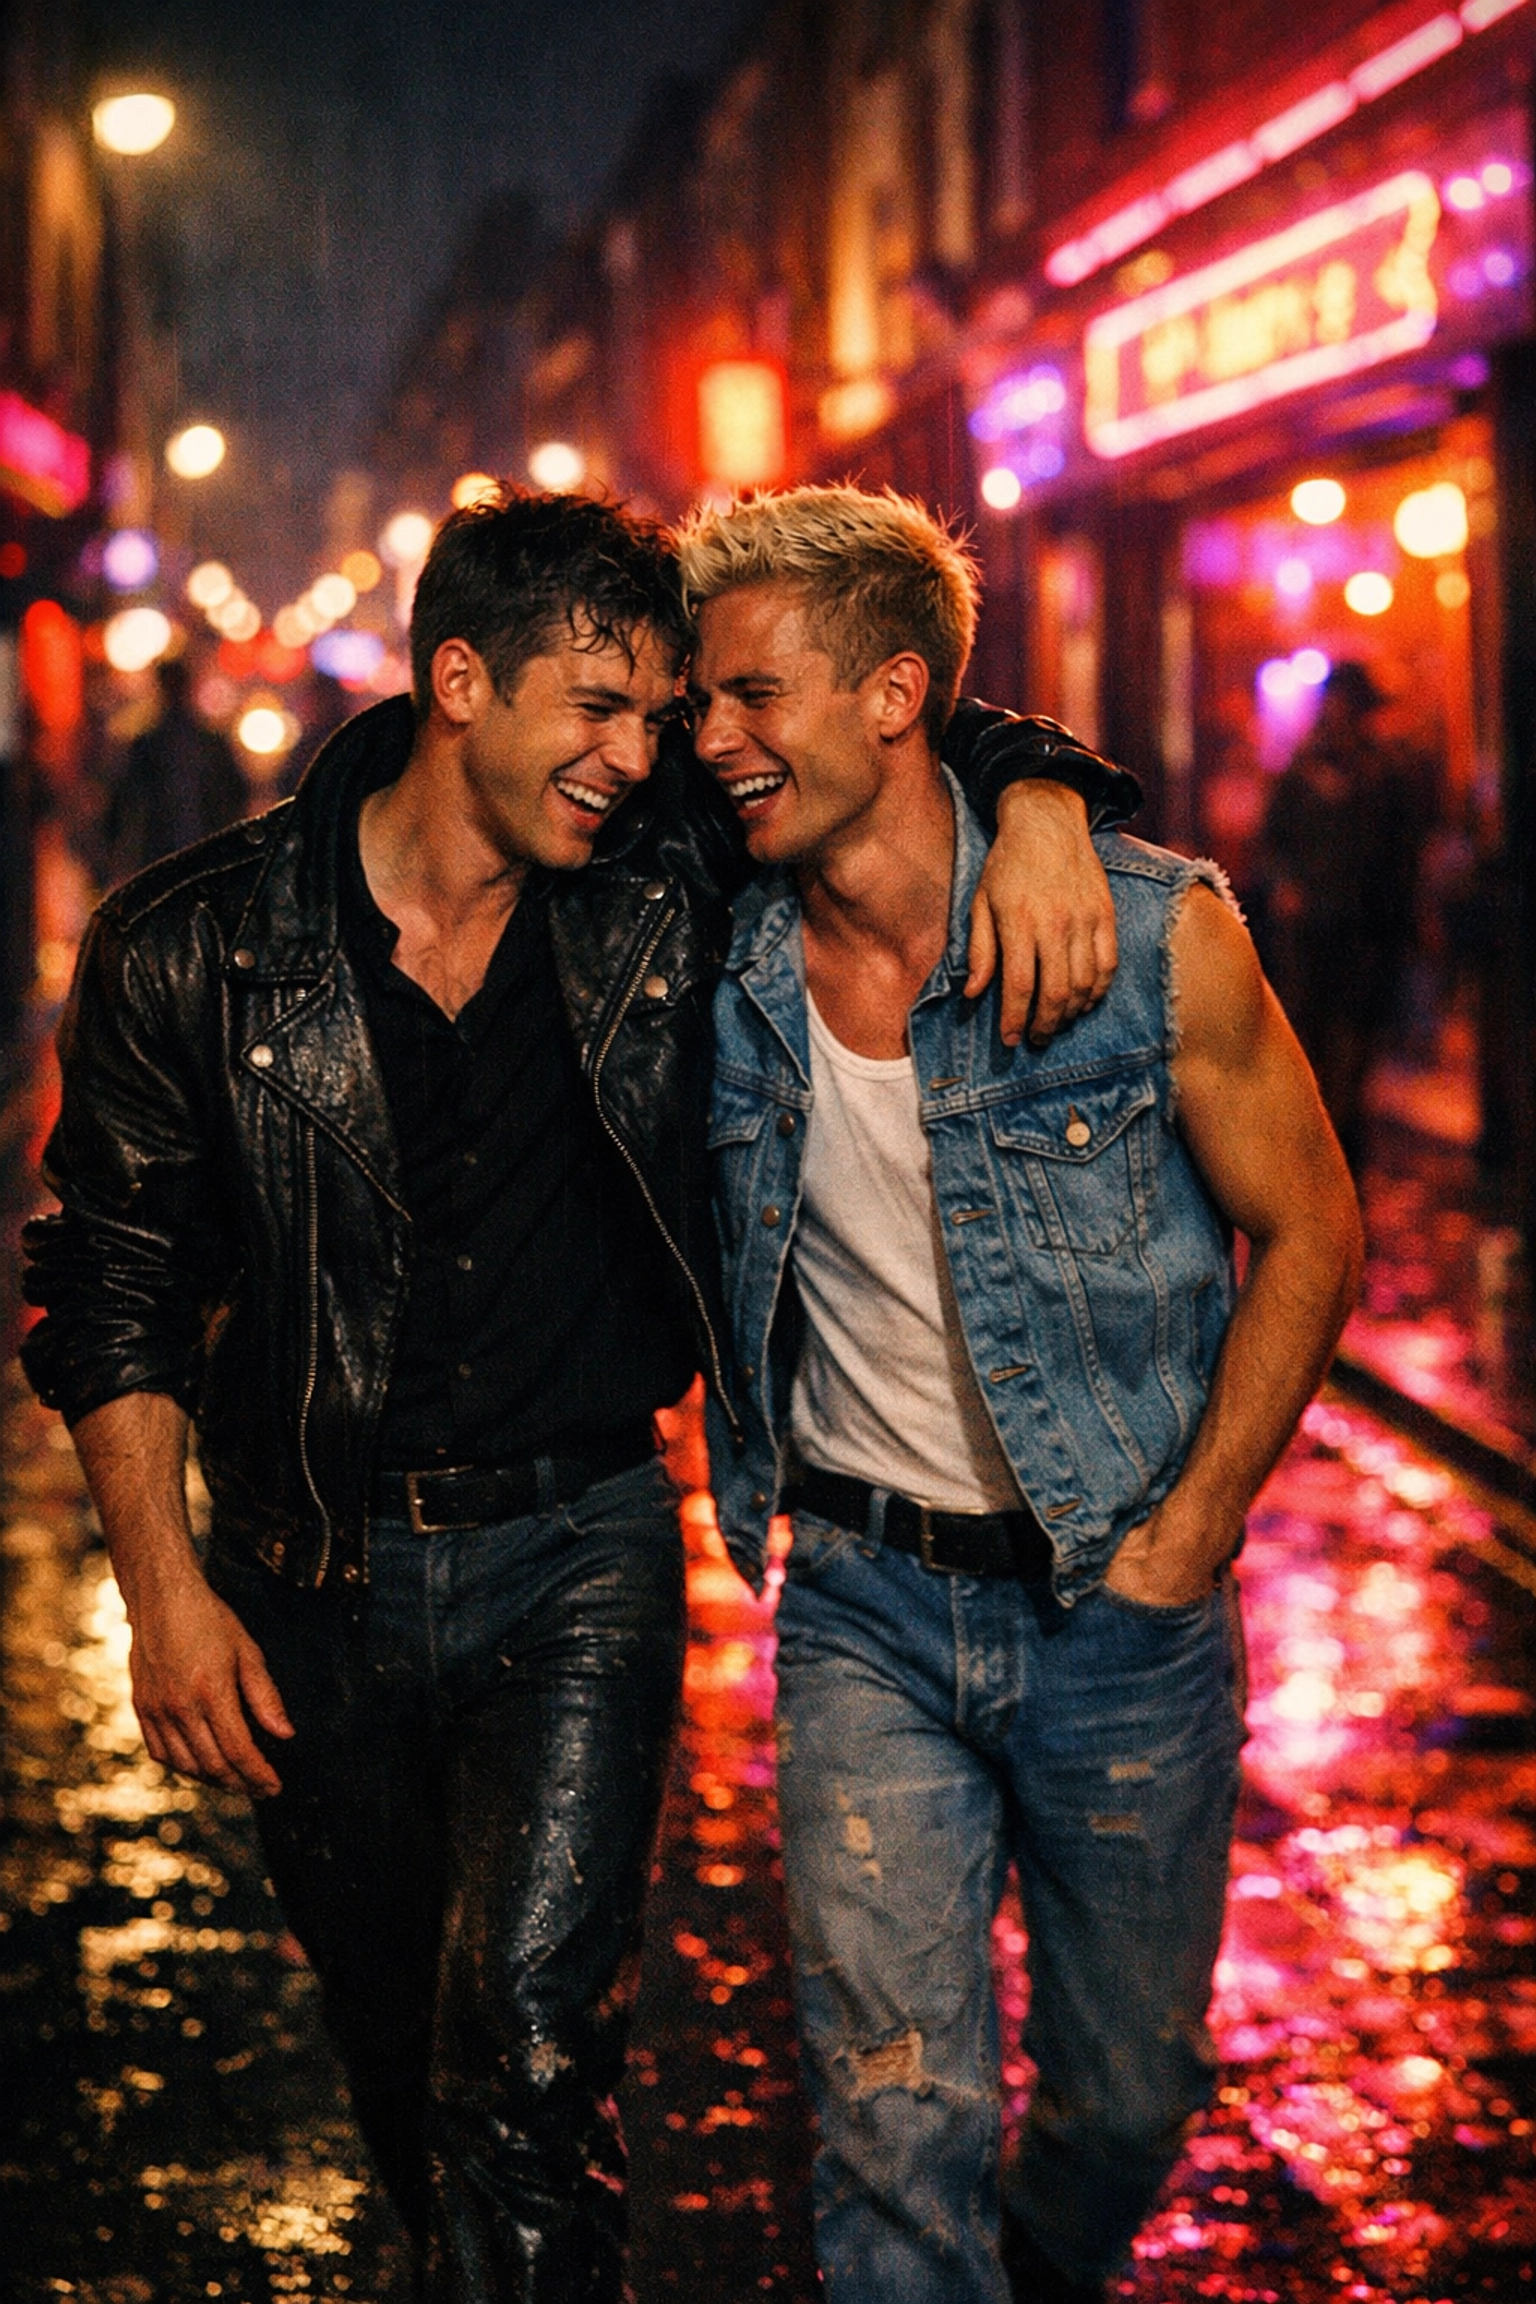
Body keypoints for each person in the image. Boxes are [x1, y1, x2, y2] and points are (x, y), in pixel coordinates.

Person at [21, 486, 1136, 2303]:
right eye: (601, 707)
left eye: (660, 713)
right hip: (316, 1575)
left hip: (583, 1548)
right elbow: (107, 1288)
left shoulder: (655, 867)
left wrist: (1047, 803)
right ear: (460, 681)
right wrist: (165, 1592)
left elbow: (879, 730)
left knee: (530, 2063)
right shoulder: (187, 946)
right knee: (404, 2049)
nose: (642, 754)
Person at [681, 485, 1364, 2304]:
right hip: (863, 1606)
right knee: (893, 2124)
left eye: (752, 695)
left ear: (895, 695)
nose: (712, 739)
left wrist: (1191, 1531)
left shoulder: (1149, 936)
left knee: (1129, 2102)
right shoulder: (709, 957)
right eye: (702, 701)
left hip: (1117, 1615)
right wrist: (1046, 777)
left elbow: (1312, 1228)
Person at [1259, 658, 1426, 1169]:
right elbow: (1274, 842)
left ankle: (1343, 1150)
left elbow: (1403, 853)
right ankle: (1317, 1149)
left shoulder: (1385, 773)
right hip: (1311, 931)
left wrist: (1405, 921)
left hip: (1365, 931)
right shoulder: (1302, 770)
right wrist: (1286, 887)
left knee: (1354, 1043)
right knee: (1310, 1037)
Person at [102, 651, 249, 883]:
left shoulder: (206, 742)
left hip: (197, 847)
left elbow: (235, 791)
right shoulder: (150, 744)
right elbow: (126, 798)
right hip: (167, 848)